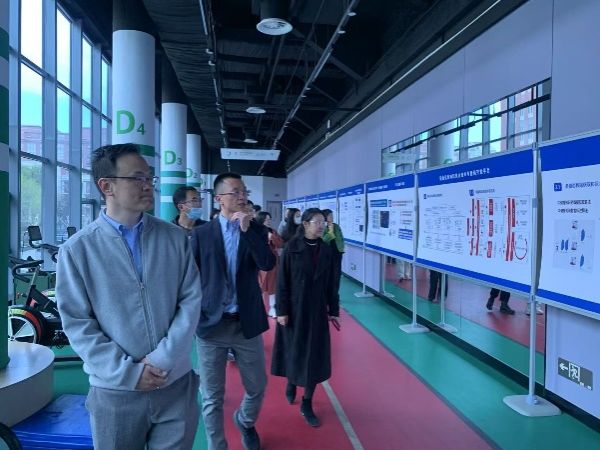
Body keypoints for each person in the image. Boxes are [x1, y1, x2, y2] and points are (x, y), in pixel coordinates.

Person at [55, 143, 201, 449]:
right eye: (137, 178)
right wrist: (128, 373)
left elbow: (190, 301)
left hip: (174, 383)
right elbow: (77, 323)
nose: (148, 185)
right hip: (115, 392)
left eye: (149, 178)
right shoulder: (78, 250)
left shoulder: (175, 238)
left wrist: (162, 359)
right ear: (106, 186)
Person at [191, 172, 275, 450]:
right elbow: (191, 277)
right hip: (211, 326)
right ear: (219, 199)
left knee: (257, 387)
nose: (242, 197)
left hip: (245, 324)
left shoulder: (256, 230)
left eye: (244, 192)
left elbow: (267, 264)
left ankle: (245, 421)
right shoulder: (202, 233)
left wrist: (248, 231)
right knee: (212, 397)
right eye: (235, 192)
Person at [271, 208, 340, 428]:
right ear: (305, 224)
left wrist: (333, 309)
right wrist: (281, 311)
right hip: (294, 310)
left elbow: (332, 282)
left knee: (315, 356)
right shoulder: (292, 248)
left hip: (317, 311)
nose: (321, 226)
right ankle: (291, 381)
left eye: (323, 222)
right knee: (295, 350)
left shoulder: (327, 250)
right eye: (317, 222)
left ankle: (307, 402)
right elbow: (282, 282)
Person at [256, 211, 284, 317]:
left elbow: (280, 243)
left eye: (269, 219)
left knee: (273, 286)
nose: (268, 221)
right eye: (266, 219)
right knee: (261, 286)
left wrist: (271, 237)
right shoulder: (256, 232)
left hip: (272, 262)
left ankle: (273, 308)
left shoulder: (272, 231)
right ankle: (261, 308)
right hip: (260, 263)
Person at [321, 209, 345, 291]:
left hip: (337, 252)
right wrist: (330, 233)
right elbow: (322, 240)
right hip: (327, 253)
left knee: (337, 273)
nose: (332, 217)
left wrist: (342, 248)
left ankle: (335, 292)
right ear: (325, 217)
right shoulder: (322, 227)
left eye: (332, 215)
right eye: (330, 215)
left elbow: (341, 237)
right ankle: (327, 291)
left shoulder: (336, 226)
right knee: (328, 273)